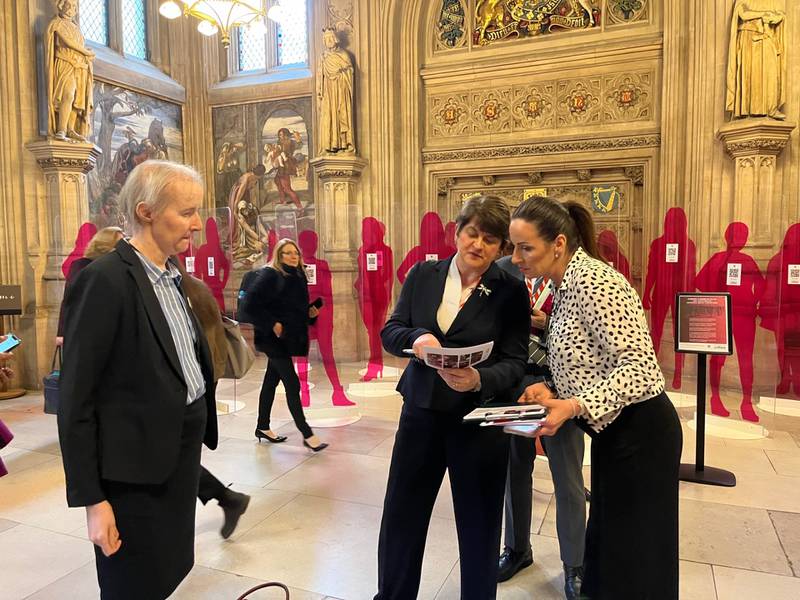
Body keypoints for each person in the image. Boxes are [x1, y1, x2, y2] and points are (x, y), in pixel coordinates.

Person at [57, 160, 219, 599]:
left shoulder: (172, 276)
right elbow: (77, 401)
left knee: (165, 577)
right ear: (146, 212)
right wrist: (94, 501)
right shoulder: (106, 280)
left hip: (174, 464)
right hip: (132, 479)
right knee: (132, 587)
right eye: (186, 212)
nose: (197, 224)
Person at [511, 196, 682, 600]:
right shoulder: (564, 283)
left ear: (557, 244)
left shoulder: (595, 281)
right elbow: (590, 359)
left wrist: (572, 406)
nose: (515, 257)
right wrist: (552, 389)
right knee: (609, 551)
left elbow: (641, 370)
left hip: (642, 436)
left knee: (637, 557)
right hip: (615, 436)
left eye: (525, 247)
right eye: (513, 245)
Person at [375, 196, 530, 600]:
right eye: (472, 233)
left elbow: (515, 361)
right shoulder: (423, 275)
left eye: (490, 240)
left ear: (502, 248)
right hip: (421, 412)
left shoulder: (510, 291)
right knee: (402, 515)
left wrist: (480, 378)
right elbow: (391, 330)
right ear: (457, 232)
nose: (478, 245)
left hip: (478, 420)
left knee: (479, 523)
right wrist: (416, 339)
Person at [495, 255, 586, 598]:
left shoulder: (570, 274)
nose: (521, 253)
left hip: (560, 386)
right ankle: (517, 549)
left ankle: (574, 565)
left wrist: (546, 322)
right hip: (515, 384)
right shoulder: (504, 271)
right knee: (514, 472)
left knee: (568, 479)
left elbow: (583, 336)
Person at [177, 262, 251, 539]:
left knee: (176, 458)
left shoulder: (182, 294)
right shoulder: (197, 288)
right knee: (180, 457)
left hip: (189, 385)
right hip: (204, 380)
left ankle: (227, 498)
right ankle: (228, 498)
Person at [239, 238, 328, 452]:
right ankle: (307, 434)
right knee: (292, 383)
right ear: (278, 256)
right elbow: (250, 304)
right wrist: (273, 324)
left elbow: (290, 309)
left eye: (295, 252)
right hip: (272, 339)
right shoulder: (271, 274)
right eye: (287, 253)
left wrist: (310, 314)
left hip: (286, 338)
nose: (292, 256)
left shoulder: (297, 276)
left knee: (271, 381)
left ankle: (262, 426)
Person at [57, 226, 124, 344]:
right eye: (121, 244)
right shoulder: (82, 267)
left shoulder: (117, 268)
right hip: (86, 333)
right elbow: (69, 301)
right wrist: (61, 332)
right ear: (106, 247)